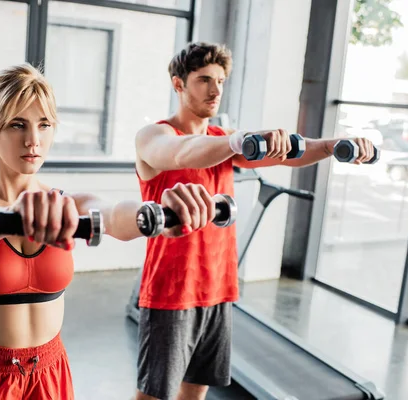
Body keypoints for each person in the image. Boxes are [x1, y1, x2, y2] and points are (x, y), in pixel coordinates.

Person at [0, 64, 218, 400]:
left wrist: (158, 215)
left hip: (50, 373)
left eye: (44, 125)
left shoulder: (66, 203)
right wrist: (12, 214)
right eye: (17, 125)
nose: (33, 140)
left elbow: (113, 215)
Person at [133, 42, 376, 400]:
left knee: (196, 391)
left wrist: (329, 145)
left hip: (217, 288)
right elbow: (180, 152)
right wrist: (238, 140)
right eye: (203, 80)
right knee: (155, 396)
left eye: (220, 80)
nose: (215, 90)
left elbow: (288, 154)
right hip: (171, 291)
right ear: (178, 84)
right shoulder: (154, 136)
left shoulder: (220, 141)